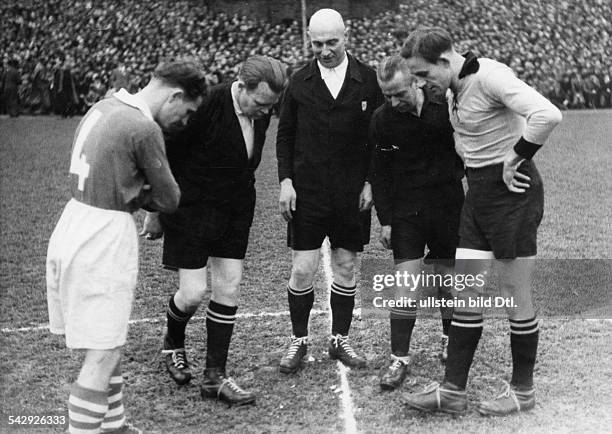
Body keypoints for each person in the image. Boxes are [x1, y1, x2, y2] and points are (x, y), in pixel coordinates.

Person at [399, 27, 562, 415]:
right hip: (478, 197)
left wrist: (515, 154)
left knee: (513, 294)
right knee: (464, 290)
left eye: (423, 74)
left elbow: (547, 113)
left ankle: (523, 391)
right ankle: (452, 390)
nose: (421, 84)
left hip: (513, 195)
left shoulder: (490, 76)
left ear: (444, 61)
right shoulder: (455, 86)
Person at [46, 60, 206, 433]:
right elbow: (170, 198)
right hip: (103, 235)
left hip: (73, 222)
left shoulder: (103, 106)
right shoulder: (143, 126)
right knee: (102, 355)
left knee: (109, 339)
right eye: (187, 111)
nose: (184, 120)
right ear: (176, 95)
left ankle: (114, 425)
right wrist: (146, 194)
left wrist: (137, 188)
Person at [141, 56, 288, 405]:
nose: (266, 113)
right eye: (261, 103)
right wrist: (158, 211)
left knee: (230, 286)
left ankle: (214, 376)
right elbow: (169, 156)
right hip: (191, 210)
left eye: (271, 106)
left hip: (235, 210)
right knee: (192, 293)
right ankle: (173, 342)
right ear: (242, 86)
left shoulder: (260, 111)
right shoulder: (205, 105)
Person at [276, 8, 383, 374]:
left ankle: (340, 337)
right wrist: (286, 181)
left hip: (351, 194)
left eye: (332, 42)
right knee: (303, 269)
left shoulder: (367, 78)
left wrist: (371, 181)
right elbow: (285, 134)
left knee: (346, 266)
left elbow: (378, 137)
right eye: (317, 43)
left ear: (346, 36)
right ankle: (299, 340)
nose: (324, 50)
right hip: (307, 193)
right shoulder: (299, 81)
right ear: (309, 39)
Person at [370, 55, 464, 390]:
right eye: (387, 95)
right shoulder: (383, 120)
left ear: (416, 82)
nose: (393, 102)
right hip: (406, 213)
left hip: (448, 208)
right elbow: (378, 174)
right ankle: (399, 358)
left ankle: (448, 340)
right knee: (405, 285)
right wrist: (385, 220)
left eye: (399, 93)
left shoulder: (445, 111)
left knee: (448, 281)